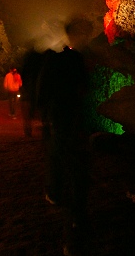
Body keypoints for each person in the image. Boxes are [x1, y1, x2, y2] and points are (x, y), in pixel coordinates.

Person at [37, 19, 93, 256]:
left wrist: (42, 114)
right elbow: (84, 86)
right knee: (73, 162)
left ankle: (56, 192)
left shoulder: (54, 59)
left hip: (60, 115)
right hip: (71, 116)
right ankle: (73, 213)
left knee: (59, 154)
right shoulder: (76, 60)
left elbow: (43, 88)